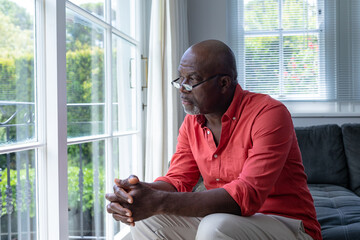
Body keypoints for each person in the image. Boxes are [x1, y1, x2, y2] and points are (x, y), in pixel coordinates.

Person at [105, 39, 322, 240]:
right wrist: (139, 194)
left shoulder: (269, 113)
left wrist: (159, 201)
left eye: (192, 80)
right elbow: (178, 180)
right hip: (227, 220)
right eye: (180, 78)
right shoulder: (192, 123)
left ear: (224, 83)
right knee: (148, 221)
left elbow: (248, 195)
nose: (181, 87)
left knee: (216, 226)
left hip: (287, 224)